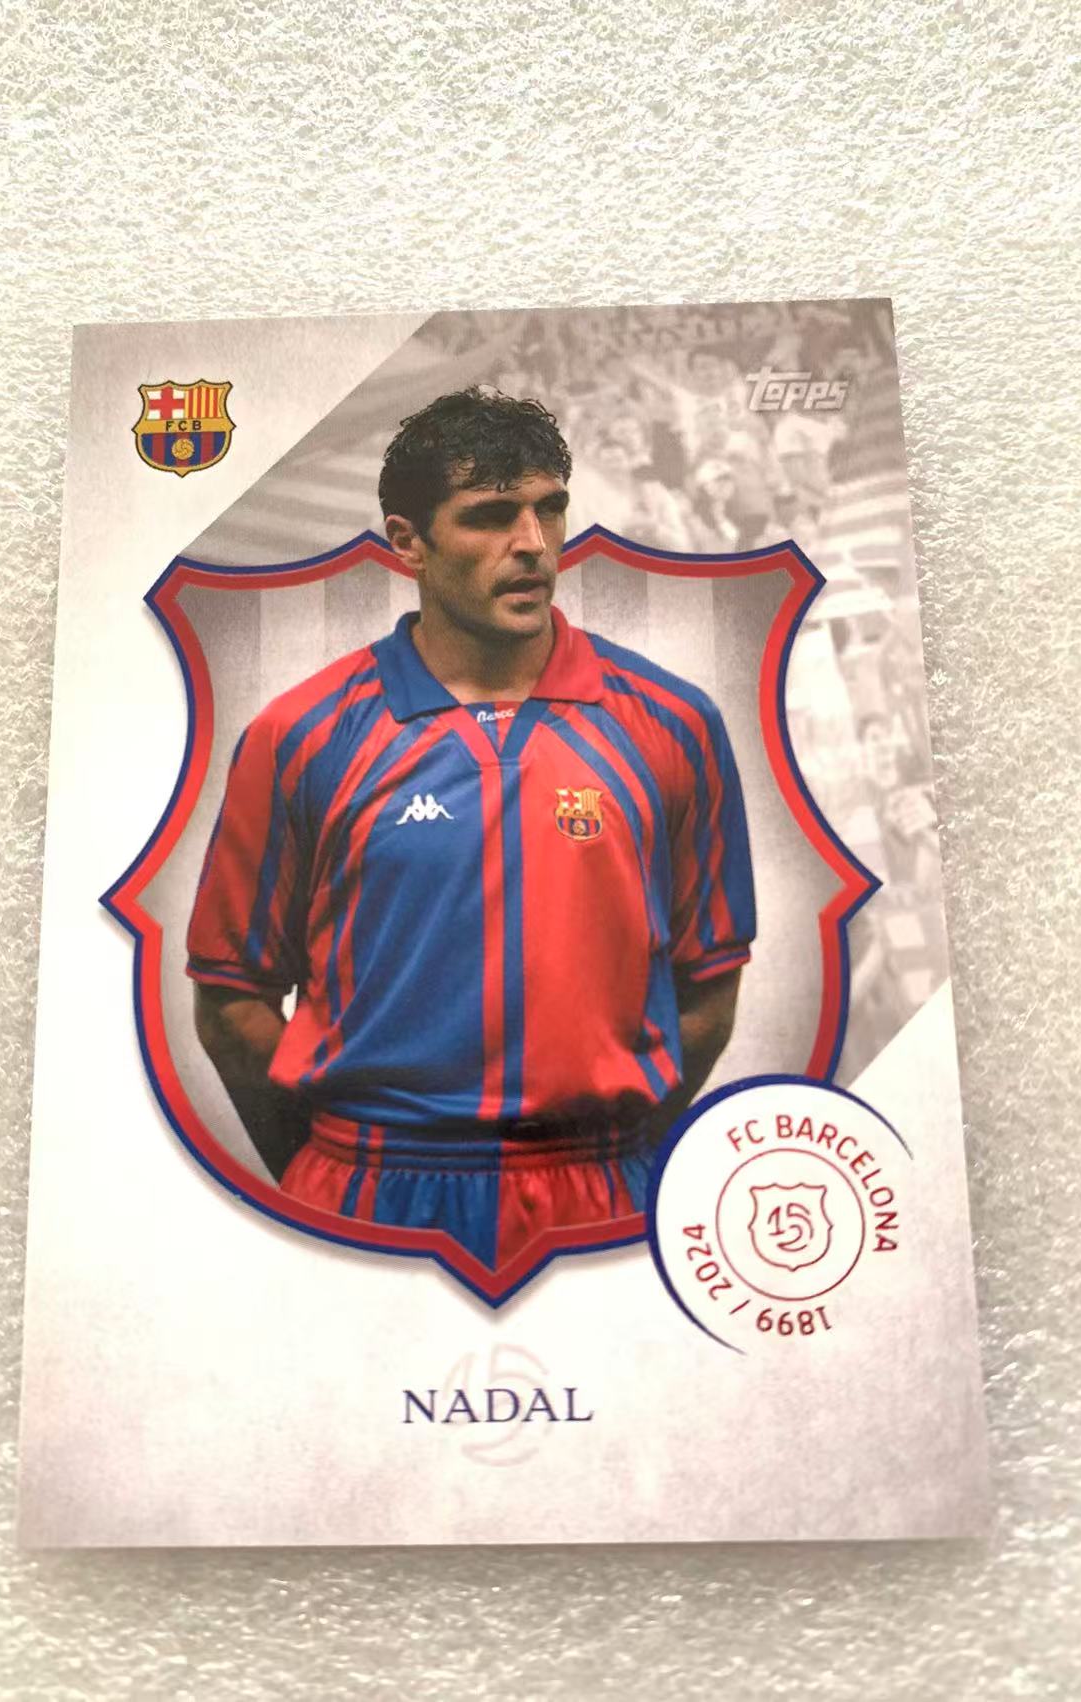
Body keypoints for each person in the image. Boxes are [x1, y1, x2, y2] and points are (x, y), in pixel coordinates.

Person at [186, 388, 755, 1278]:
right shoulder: (301, 736)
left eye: (549, 509)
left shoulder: (672, 724)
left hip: (604, 1188)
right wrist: (329, 1171)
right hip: (365, 1184)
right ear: (407, 541)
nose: (533, 543)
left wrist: (610, 1148)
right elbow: (231, 1001)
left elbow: (709, 989)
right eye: (490, 516)